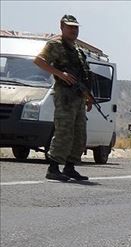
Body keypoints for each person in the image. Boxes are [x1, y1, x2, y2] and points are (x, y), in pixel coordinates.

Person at [34, 14, 93, 181]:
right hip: (64, 96)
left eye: (76, 27)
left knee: (78, 134)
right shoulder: (55, 44)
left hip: (78, 97)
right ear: (62, 27)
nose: (74, 30)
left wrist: (88, 96)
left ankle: (70, 167)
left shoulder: (77, 50)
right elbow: (39, 61)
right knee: (64, 132)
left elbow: (83, 76)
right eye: (70, 27)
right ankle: (53, 168)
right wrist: (61, 74)